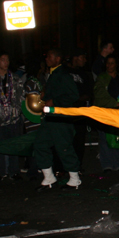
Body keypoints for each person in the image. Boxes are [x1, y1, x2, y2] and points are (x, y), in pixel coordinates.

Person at [35, 48, 83, 189]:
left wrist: (55, 101)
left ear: (57, 59)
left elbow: (73, 95)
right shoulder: (53, 74)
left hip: (60, 118)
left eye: (50, 56)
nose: (47, 59)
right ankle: (49, 177)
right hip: (51, 118)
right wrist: (45, 94)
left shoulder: (63, 74)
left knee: (64, 147)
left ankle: (75, 179)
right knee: (40, 144)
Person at [0, 51, 24, 180]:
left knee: (14, 145)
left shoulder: (15, 79)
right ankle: (0, 171)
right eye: (3, 60)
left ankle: (14, 171)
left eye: (7, 60)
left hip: (13, 119)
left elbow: (21, 97)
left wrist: (17, 111)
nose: (5, 62)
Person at [94, 55, 119, 172]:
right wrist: (113, 104)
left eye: (112, 63)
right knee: (105, 138)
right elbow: (99, 94)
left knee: (118, 138)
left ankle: (118, 162)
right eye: (107, 63)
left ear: (116, 65)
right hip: (106, 112)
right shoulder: (101, 78)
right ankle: (107, 163)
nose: (109, 65)